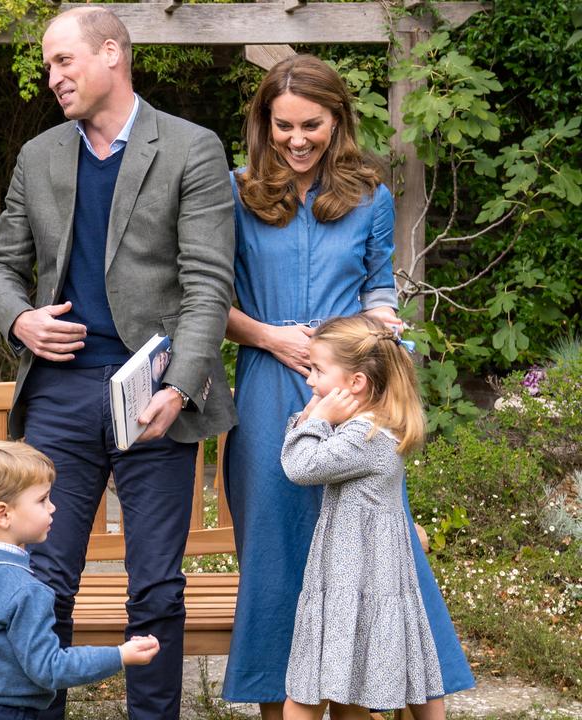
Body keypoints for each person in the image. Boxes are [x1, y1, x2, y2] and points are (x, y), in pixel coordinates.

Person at [0, 7, 237, 718]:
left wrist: (182, 387)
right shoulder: (39, 156)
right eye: (48, 66)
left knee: (155, 586)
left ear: (112, 55)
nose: (53, 77)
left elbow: (208, 285)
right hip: (60, 396)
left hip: (154, 397)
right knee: (42, 579)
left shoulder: (191, 148)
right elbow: (1, 267)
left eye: (64, 61)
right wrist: (21, 317)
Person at [221, 54, 473, 717]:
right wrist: (270, 336)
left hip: (357, 398)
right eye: (283, 127)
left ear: (337, 121)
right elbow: (206, 301)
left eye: (312, 125)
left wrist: (384, 326)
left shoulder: (371, 198)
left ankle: (366, 698)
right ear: (262, 123)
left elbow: (377, 289)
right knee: (277, 562)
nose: (297, 140)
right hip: (271, 394)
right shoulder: (233, 191)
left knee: (371, 551)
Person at [0, 439, 161, 719]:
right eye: (42, 500)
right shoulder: (26, 590)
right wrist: (120, 655)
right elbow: (49, 668)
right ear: (3, 514)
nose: (52, 508)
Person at [279, 314, 446, 719]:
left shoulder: (364, 436)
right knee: (361, 685)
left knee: (306, 691)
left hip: (352, 578)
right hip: (358, 578)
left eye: (318, 370)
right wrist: (317, 418)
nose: (310, 381)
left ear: (356, 383)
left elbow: (298, 466)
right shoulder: (371, 428)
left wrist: (314, 418)